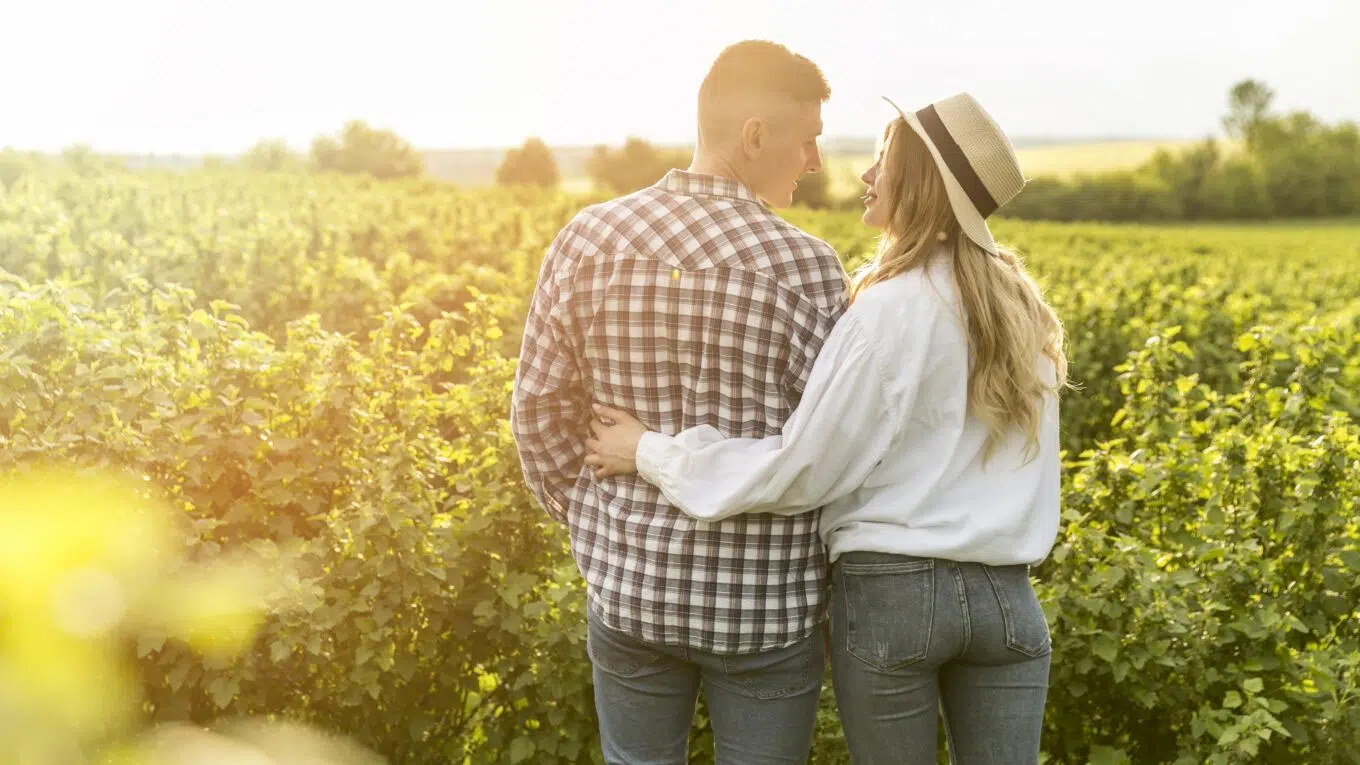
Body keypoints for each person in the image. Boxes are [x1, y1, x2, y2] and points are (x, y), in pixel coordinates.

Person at [583, 92, 1070, 765]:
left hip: (896, 594)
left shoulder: (887, 310)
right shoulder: (1023, 313)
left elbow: (803, 467)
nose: (867, 175)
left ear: (918, 182)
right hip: (1008, 599)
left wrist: (650, 452)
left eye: (882, 161)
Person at [510, 40, 848, 765]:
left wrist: (595, 521)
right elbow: (831, 447)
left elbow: (537, 409)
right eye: (807, 139)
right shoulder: (809, 268)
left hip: (630, 589)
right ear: (755, 136)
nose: (814, 161)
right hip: (764, 606)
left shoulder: (586, 240)